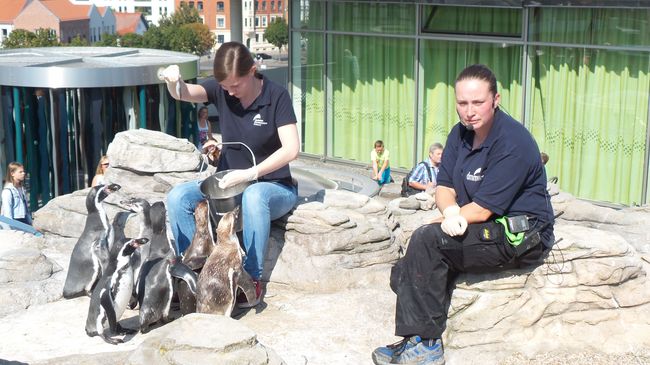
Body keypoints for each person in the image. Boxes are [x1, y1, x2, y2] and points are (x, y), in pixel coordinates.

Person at [371, 64, 554, 365]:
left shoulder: (513, 143)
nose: (469, 111)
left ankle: (428, 346)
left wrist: (448, 221)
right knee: (403, 271)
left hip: (520, 234)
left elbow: (483, 209)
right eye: (462, 103)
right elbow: (444, 186)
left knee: (428, 241)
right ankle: (414, 338)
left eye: (478, 102)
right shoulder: (460, 134)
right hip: (480, 222)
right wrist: (451, 210)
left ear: (496, 99)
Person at [160, 41, 299, 308]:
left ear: (253, 71)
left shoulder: (277, 96)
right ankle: (192, 273)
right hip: (229, 184)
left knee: (255, 195)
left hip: (273, 186)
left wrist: (251, 173)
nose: (230, 92)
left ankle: (251, 280)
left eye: (236, 85)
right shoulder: (222, 90)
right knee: (179, 196)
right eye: (225, 87)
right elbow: (183, 93)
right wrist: (172, 81)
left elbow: (292, 148)